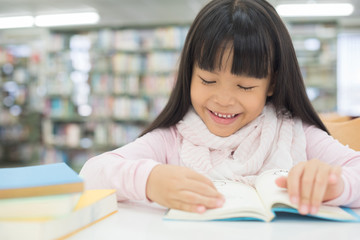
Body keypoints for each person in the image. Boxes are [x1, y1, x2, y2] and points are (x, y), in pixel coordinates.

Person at [80, 0, 360, 216]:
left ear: (271, 84)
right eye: (208, 80)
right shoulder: (172, 138)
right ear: (189, 75)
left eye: (245, 87)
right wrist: (149, 180)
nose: (223, 100)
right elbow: (91, 174)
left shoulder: (296, 133)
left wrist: (336, 185)